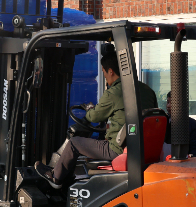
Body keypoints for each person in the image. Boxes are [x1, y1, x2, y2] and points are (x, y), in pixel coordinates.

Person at [36, 52, 158, 189]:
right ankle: (68, 180)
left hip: (117, 149)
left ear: (110, 71)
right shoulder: (147, 90)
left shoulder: (115, 92)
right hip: (143, 148)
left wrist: (89, 110)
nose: (104, 77)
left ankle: (55, 177)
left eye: (104, 73)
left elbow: (93, 117)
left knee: (74, 143)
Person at [163, 90, 196, 158]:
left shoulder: (192, 124)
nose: (168, 106)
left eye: (172, 103)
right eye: (168, 102)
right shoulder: (163, 121)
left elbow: (194, 150)